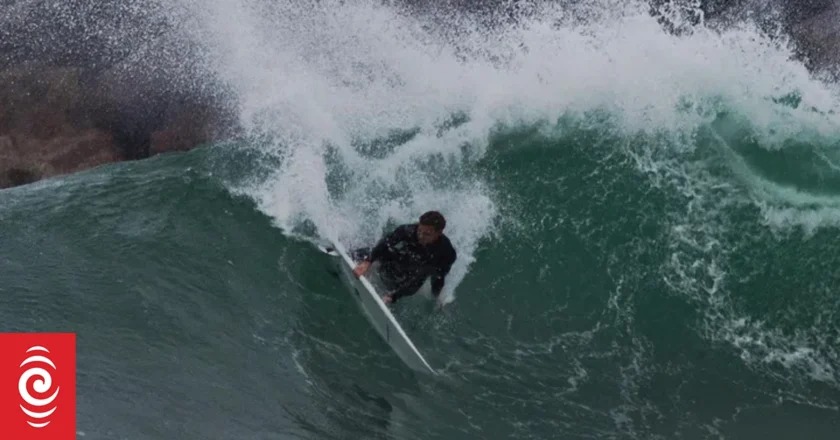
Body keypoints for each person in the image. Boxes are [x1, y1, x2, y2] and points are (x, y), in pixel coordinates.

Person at [352, 211, 457, 306]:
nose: (421, 236)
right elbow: (384, 244)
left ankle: (391, 297)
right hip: (397, 262)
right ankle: (350, 254)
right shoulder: (408, 230)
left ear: (439, 233)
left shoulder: (447, 253)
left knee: (423, 272)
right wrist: (368, 262)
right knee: (384, 249)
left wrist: (435, 299)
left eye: (427, 234)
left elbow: (438, 278)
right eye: (420, 231)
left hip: (408, 278)